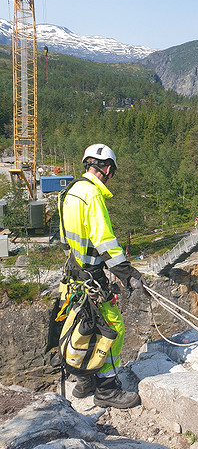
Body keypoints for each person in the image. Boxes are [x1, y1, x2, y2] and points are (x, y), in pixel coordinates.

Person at [58, 143, 148, 409]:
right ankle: (107, 389)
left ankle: (85, 379)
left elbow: (65, 239)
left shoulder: (69, 192)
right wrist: (127, 273)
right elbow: (105, 241)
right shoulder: (92, 196)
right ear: (107, 168)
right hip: (92, 278)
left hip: (73, 274)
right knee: (112, 330)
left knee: (82, 327)